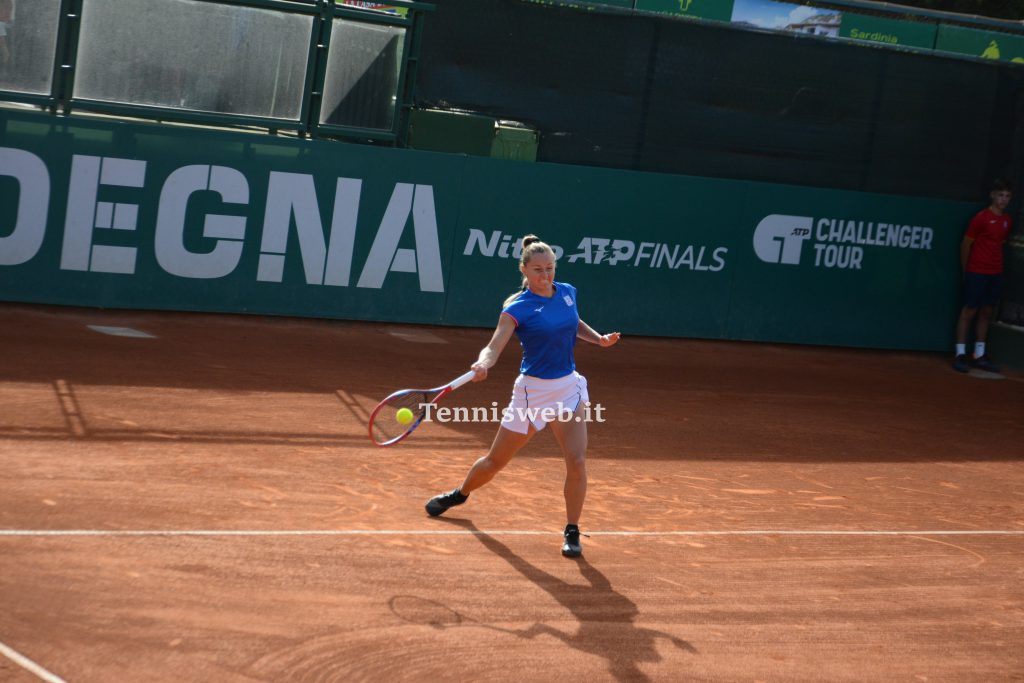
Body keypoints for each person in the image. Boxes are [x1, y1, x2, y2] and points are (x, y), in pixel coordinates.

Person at [424, 234, 621, 558]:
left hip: (567, 389)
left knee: (577, 460)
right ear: (525, 270)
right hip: (532, 394)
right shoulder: (517, 308)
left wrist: (598, 339)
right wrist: (484, 362)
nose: (546, 276)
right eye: (538, 270)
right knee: (494, 463)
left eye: (550, 269)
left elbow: (573, 323)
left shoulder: (568, 292)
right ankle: (460, 493)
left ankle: (572, 530)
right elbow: (495, 344)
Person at [953, 178, 1013, 373]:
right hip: (976, 272)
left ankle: (979, 354)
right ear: (992, 195)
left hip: (995, 273)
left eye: (1007, 196)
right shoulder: (981, 218)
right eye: (1000, 195)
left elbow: (999, 246)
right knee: (969, 311)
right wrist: (966, 270)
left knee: (986, 312)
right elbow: (966, 244)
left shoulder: (1007, 221)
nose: (1003, 199)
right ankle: (960, 353)